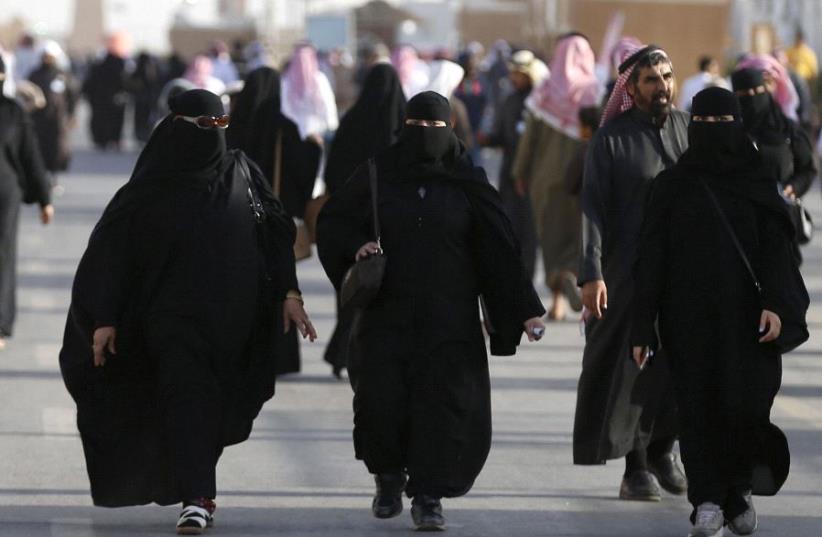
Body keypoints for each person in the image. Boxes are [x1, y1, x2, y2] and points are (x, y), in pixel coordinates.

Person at [59, 90, 316, 534]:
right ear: (177, 125)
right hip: (169, 319)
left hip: (236, 320)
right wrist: (103, 318)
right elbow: (111, 255)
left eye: (222, 125)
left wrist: (290, 294)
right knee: (186, 393)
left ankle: (197, 482)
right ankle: (196, 496)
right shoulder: (150, 186)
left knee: (212, 405)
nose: (215, 134)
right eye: (204, 126)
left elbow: (275, 234)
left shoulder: (242, 172)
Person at [316, 91, 546, 530]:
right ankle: (387, 477)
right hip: (386, 317)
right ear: (403, 128)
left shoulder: (467, 181)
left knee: (441, 407)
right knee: (382, 403)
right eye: (416, 129)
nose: (425, 138)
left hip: (450, 320)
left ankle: (428, 496)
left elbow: (498, 250)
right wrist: (355, 246)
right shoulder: (378, 174)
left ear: (450, 131)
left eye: (433, 130)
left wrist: (524, 309)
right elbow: (334, 222)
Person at [631, 86, 808, 537]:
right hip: (688, 320)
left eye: (721, 124)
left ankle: (740, 490)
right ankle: (707, 500)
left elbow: (778, 255)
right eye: (703, 125)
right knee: (698, 409)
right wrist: (642, 327)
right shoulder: (671, 186)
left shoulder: (756, 184)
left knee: (745, 407)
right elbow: (651, 260)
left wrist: (777, 305)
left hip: (750, 322)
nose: (712, 133)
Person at [575, 44, 688, 501]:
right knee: (629, 368)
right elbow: (593, 210)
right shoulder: (612, 139)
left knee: (680, 363)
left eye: (667, 76)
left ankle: (664, 449)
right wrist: (591, 272)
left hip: (682, 272)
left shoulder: (687, 129)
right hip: (627, 272)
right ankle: (635, 465)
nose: (662, 86)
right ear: (632, 89)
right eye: (651, 80)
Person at [226, 66, 322, 375]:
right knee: (278, 286)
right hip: (274, 223)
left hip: (235, 223)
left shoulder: (231, 127)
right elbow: (304, 171)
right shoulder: (286, 127)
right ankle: (276, 357)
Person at [321, 63, 406, 377]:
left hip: (350, 222)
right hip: (389, 222)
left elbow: (331, 172)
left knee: (352, 287)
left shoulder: (352, 121)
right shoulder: (402, 127)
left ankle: (342, 352)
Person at [512, 34, 601, 320]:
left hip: (545, 178)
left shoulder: (544, 92)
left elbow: (528, 140)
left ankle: (558, 299)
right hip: (584, 176)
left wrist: (519, 173)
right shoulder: (594, 92)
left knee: (550, 237)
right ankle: (574, 275)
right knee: (579, 237)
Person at [0, 55, 54, 351]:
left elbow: (30, 156)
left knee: (2, 255)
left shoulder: (12, 112)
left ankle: (0, 323)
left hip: (3, 195)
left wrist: (44, 198)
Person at [480, 49, 547, 280]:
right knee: (510, 225)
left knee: (529, 230)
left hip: (532, 175)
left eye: (518, 73)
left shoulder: (540, 101)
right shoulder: (509, 100)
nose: (514, 78)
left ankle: (527, 280)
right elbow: (502, 135)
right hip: (509, 173)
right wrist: (487, 139)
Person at [28, 41, 77, 181]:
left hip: (58, 119)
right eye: (45, 56)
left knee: (57, 148)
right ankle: (41, 176)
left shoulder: (62, 75)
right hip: (38, 118)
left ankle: (54, 175)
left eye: (49, 56)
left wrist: (72, 115)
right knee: (39, 147)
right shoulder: (35, 74)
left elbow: (72, 95)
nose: (47, 58)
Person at [281, 44, 339, 143]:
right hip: (295, 130)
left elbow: (327, 103)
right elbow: (284, 107)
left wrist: (331, 124)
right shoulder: (286, 81)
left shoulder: (319, 79)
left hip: (316, 129)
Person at [83, 33, 131, 150]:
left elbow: (89, 83)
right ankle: (114, 140)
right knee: (114, 120)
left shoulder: (99, 65)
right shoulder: (119, 65)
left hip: (101, 99)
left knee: (102, 120)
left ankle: (102, 140)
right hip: (113, 99)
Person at [126, 51, 163, 144]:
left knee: (140, 118)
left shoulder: (139, 69)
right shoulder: (151, 69)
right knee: (147, 118)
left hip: (140, 99)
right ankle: (145, 135)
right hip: (148, 99)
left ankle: (141, 136)